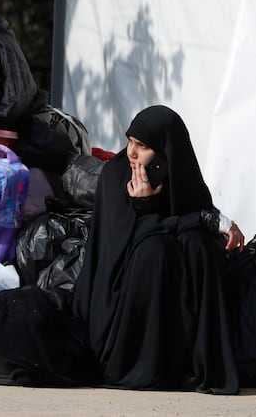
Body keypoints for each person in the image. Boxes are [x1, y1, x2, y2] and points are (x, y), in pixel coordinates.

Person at [72, 104, 244, 394]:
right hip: (116, 292)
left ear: (166, 150)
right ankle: (142, 363)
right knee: (154, 250)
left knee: (199, 244)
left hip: (173, 290)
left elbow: (191, 218)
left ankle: (200, 364)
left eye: (143, 146)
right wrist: (144, 208)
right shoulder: (116, 175)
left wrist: (208, 222)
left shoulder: (179, 175)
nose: (132, 153)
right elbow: (123, 243)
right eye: (131, 141)